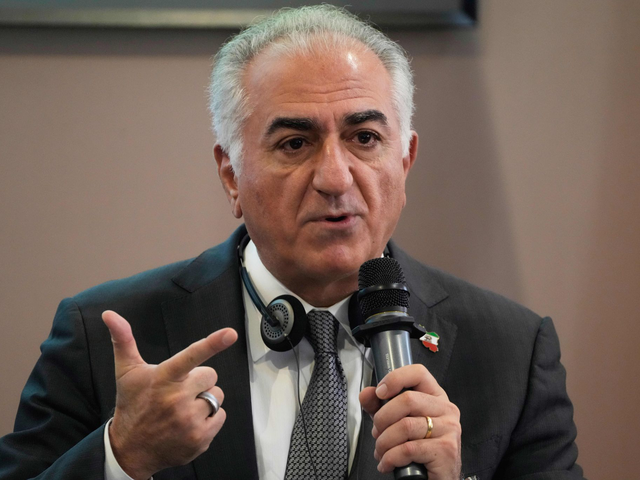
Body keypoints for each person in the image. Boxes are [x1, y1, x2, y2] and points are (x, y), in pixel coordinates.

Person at [0, 5, 583, 480]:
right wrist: (121, 456)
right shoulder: (104, 338)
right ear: (231, 174)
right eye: (295, 144)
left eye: (364, 137)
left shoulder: (511, 352)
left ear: (405, 161)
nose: (335, 178)